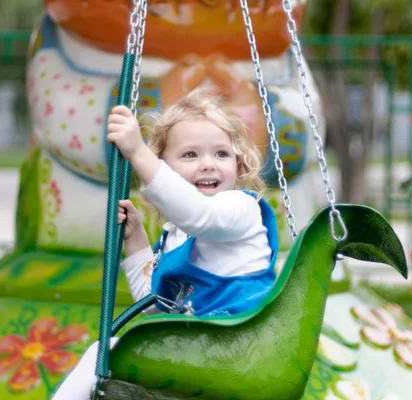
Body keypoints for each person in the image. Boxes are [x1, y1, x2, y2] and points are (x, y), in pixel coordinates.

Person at [53, 91, 278, 399]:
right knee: (112, 367)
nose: (208, 164)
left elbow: (199, 215)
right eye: (190, 155)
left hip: (242, 346)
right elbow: (155, 302)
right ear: (165, 168)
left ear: (239, 166)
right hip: (202, 349)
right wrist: (137, 242)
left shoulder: (240, 209)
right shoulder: (176, 235)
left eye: (222, 154)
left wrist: (138, 152)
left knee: (105, 353)